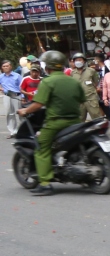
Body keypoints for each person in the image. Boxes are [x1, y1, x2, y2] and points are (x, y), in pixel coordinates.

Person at [16, 51, 84, 196]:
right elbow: (81, 99)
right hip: (75, 122)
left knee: (41, 148)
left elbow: (38, 104)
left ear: (48, 67)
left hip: (56, 123)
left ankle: (45, 183)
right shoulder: (72, 80)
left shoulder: (47, 82)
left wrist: (25, 111)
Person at [1, 59, 21, 138]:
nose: (5, 67)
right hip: (6, 96)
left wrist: (22, 97)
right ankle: (12, 132)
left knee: (18, 114)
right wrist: (2, 89)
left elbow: (22, 87)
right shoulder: (1, 77)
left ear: (11, 66)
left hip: (16, 95)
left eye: (7, 66)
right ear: (2, 68)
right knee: (9, 114)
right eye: (4, 66)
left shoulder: (17, 75)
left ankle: (20, 131)